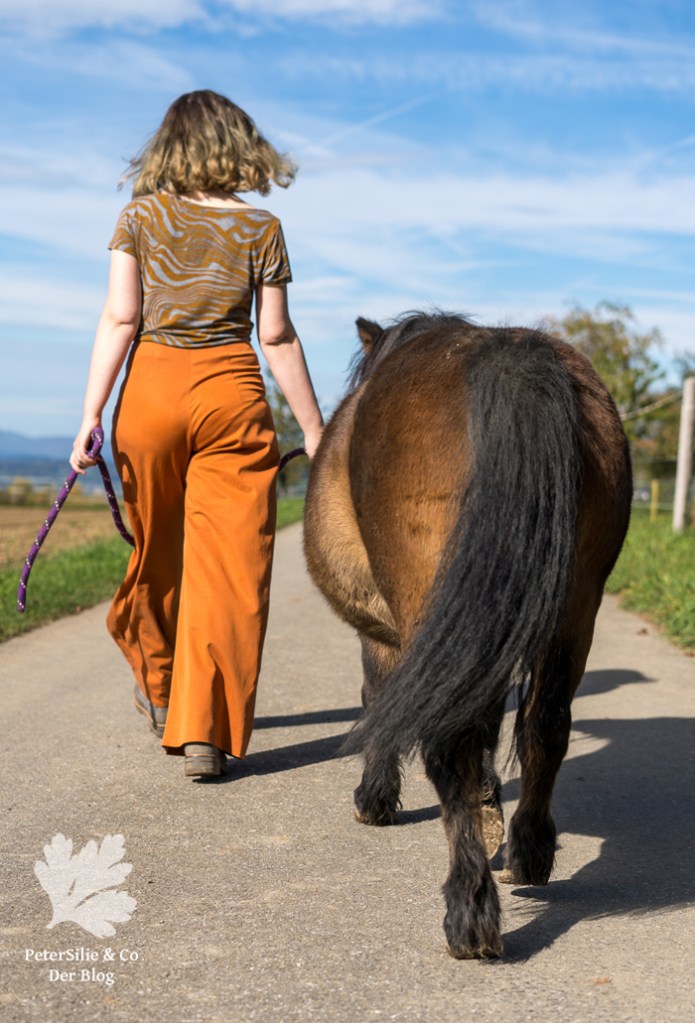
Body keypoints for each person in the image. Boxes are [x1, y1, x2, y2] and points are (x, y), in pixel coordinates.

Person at [70, 90, 324, 779]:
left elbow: (121, 318)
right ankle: (204, 729)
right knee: (231, 569)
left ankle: (160, 687)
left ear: (167, 147)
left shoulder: (138, 217)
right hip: (231, 394)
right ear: (240, 146)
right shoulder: (262, 228)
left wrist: (91, 415)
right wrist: (314, 427)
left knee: (157, 553)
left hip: (151, 393)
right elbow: (276, 336)